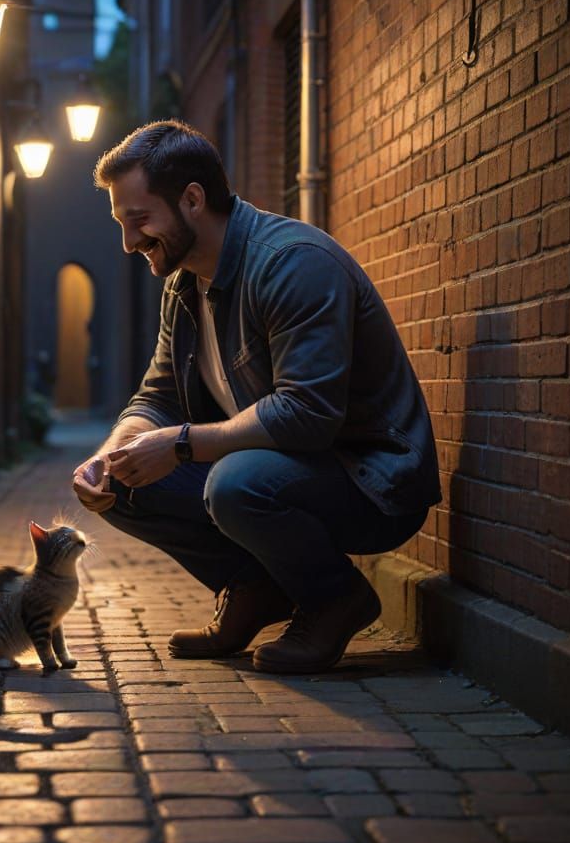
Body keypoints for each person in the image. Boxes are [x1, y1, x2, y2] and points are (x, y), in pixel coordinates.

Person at [71, 120, 441, 674]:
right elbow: (159, 396)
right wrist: (111, 455)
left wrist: (180, 445)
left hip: (372, 482)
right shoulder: (184, 286)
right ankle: (254, 589)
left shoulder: (292, 263)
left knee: (236, 483)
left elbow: (308, 415)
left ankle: (334, 599)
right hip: (289, 468)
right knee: (124, 482)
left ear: (192, 200)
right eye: (121, 224)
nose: (128, 244)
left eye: (139, 220)